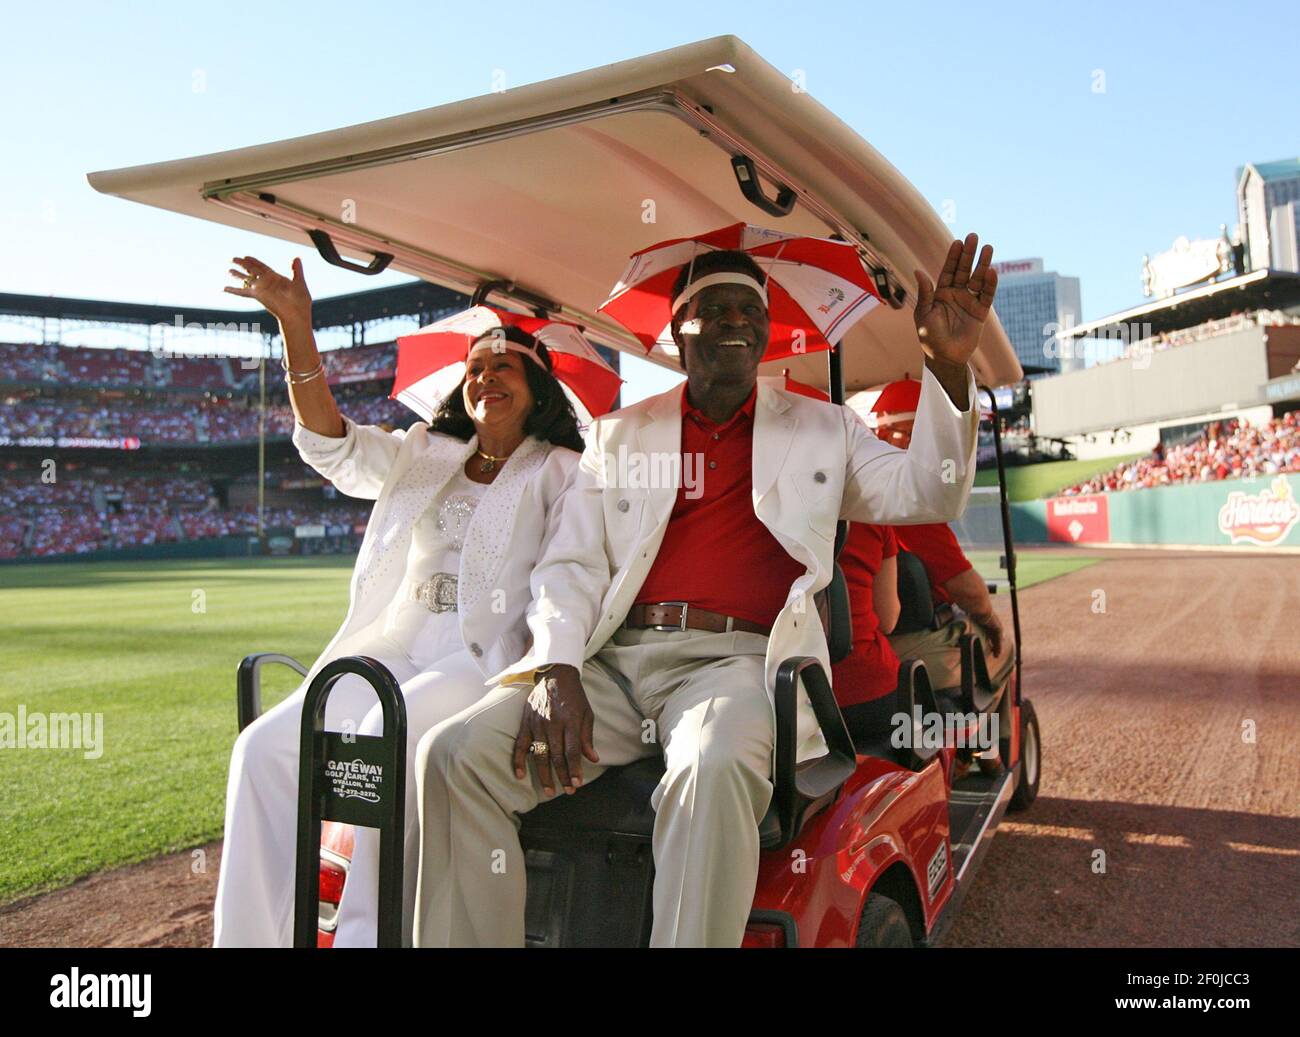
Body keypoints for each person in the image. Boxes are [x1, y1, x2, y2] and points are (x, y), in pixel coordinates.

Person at [414, 233, 997, 948]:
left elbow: (929, 491)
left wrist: (947, 367)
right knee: (452, 755)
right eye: (715, 308)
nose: (737, 321)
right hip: (612, 667)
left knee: (713, 761)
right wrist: (556, 664)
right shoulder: (620, 435)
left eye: (751, 310)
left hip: (738, 666)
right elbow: (570, 565)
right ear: (677, 333)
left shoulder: (824, 429)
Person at [212, 256, 584, 947]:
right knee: (262, 749)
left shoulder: (562, 472)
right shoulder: (424, 449)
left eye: (503, 366)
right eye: (475, 367)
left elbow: (570, 574)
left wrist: (553, 664)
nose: (485, 377)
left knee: (388, 743)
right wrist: (298, 325)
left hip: (478, 655)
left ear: (537, 388)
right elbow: (332, 444)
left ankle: (361, 939)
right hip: (390, 640)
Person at [870, 378, 1013, 693]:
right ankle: (996, 740)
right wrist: (990, 619)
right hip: (902, 644)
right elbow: (968, 590)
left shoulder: (855, 485)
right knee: (1003, 649)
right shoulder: (910, 499)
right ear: (887, 435)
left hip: (857, 643)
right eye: (921, 436)